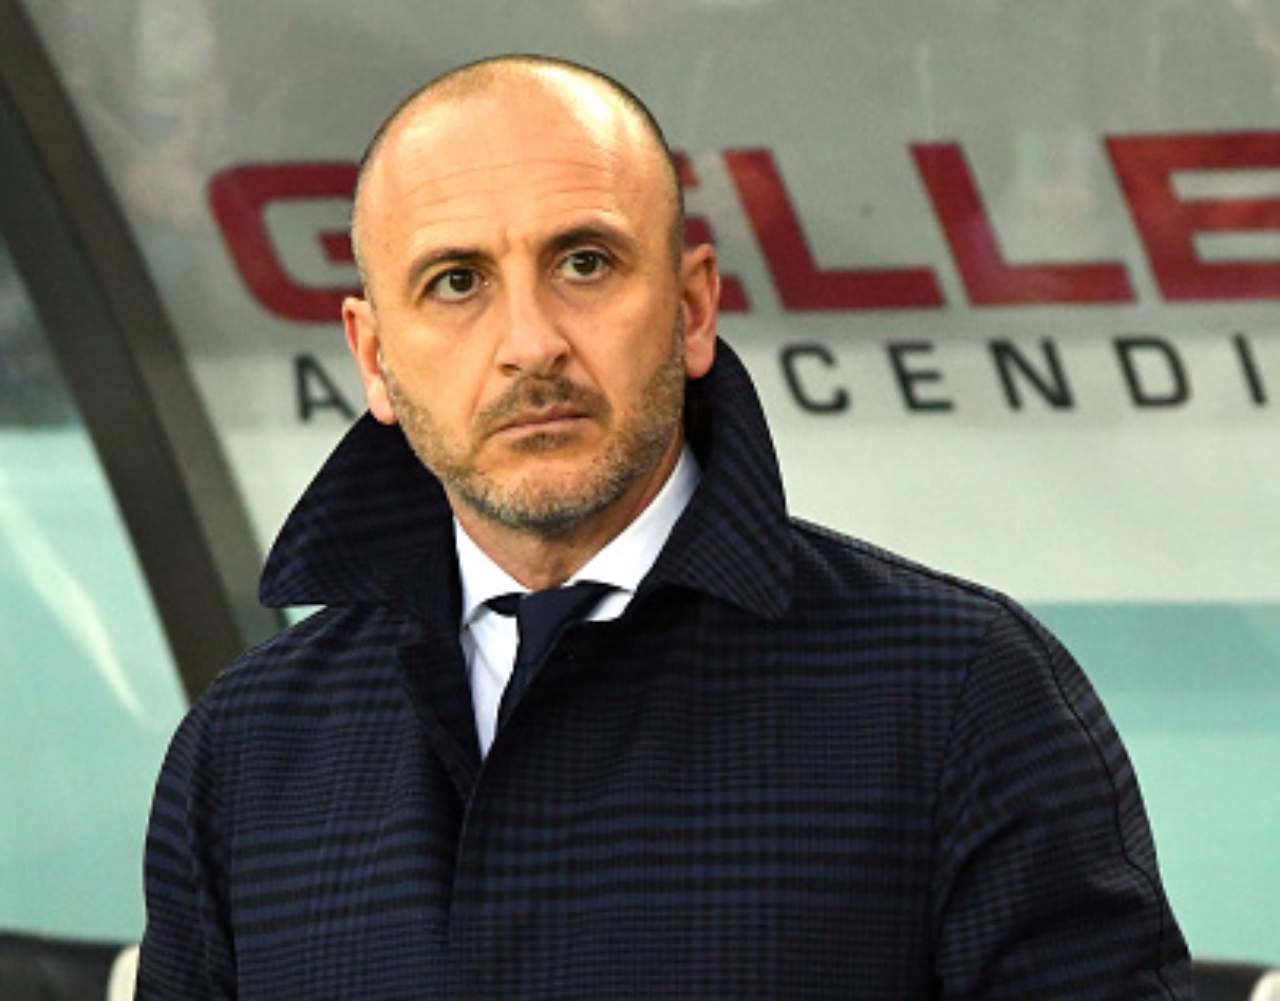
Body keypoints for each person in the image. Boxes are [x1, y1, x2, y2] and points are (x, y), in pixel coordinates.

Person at [137, 55, 1193, 999]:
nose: (530, 343)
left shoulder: (959, 693)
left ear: (691, 308)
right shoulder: (247, 748)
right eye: (456, 282)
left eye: (584, 263)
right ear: (373, 357)